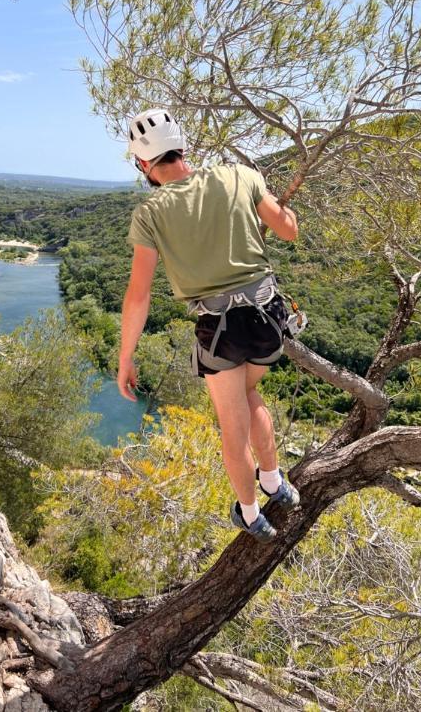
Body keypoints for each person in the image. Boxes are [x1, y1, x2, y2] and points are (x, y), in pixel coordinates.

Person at [118, 108, 301, 543]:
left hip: (220, 329)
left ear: (144, 164)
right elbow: (289, 230)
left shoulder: (151, 212)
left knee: (232, 423)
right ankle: (275, 482)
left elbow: (139, 295)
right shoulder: (239, 175)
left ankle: (250, 512)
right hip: (268, 318)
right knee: (251, 392)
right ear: (185, 148)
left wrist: (126, 358)